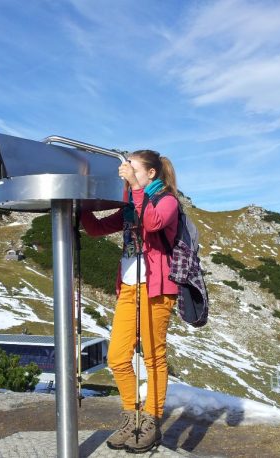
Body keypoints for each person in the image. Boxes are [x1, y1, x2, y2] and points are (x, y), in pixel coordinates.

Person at [81, 150, 179, 453]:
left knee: (153, 357)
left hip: (157, 289)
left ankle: (150, 420)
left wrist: (135, 189)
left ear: (150, 173)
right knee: (118, 357)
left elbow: (151, 223)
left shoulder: (168, 200)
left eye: (133, 168)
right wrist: (80, 201)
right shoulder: (128, 208)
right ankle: (129, 417)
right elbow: (96, 229)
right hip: (128, 288)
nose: (126, 172)